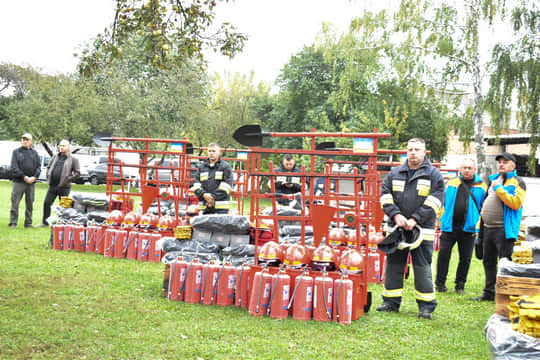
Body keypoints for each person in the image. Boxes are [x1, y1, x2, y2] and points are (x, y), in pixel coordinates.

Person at [376, 138, 444, 319]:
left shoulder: (434, 175)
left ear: (424, 152)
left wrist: (415, 219)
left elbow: (436, 200)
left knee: (422, 267)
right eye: (410, 149)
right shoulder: (395, 173)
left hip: (422, 230)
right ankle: (390, 302)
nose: (413, 152)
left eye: (417, 149)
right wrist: (397, 216)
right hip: (396, 227)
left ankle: (426, 306)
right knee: (394, 265)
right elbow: (385, 195)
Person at [470, 152, 526, 301]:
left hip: (503, 230)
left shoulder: (517, 182)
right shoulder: (494, 180)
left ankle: (504, 294)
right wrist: (480, 234)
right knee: (488, 261)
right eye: (499, 161)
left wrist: (499, 189)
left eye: (505, 162)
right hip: (488, 228)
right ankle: (489, 292)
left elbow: (516, 203)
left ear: (513, 165)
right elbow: (484, 207)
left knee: (504, 262)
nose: (501, 164)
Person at [435, 158, 487, 295]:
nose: (467, 170)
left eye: (470, 168)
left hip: (468, 228)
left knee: (465, 258)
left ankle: (460, 285)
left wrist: (477, 224)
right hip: (449, 227)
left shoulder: (482, 187)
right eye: (464, 167)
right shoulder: (450, 183)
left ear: (475, 170)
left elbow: (484, 208)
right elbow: (440, 201)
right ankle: (439, 283)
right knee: (443, 255)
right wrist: (442, 217)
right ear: (460, 169)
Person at [38, 140, 81, 227]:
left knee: (64, 207)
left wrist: (68, 179)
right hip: (52, 186)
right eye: (60, 146)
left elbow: (77, 173)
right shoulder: (55, 157)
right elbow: (49, 167)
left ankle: (63, 223)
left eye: (64, 146)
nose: (61, 147)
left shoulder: (73, 159)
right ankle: (45, 222)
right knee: (47, 203)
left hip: (64, 187)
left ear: (68, 147)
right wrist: (48, 175)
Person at [9, 133, 41, 229]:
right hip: (19, 182)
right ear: (21, 140)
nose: (25, 141)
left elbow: (39, 167)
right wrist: (24, 177)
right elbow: (14, 167)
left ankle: (28, 223)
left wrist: (34, 177)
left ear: (31, 141)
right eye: (23, 139)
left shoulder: (34, 153)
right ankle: (13, 222)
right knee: (15, 202)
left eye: (27, 140)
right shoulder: (16, 152)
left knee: (30, 203)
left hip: (31, 183)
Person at [191, 143, 233, 214]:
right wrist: (204, 194)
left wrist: (212, 197)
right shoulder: (202, 168)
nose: (211, 153)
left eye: (214, 151)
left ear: (219, 152)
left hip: (220, 208)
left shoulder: (226, 167)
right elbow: (196, 185)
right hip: (204, 207)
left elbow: (226, 186)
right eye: (209, 151)